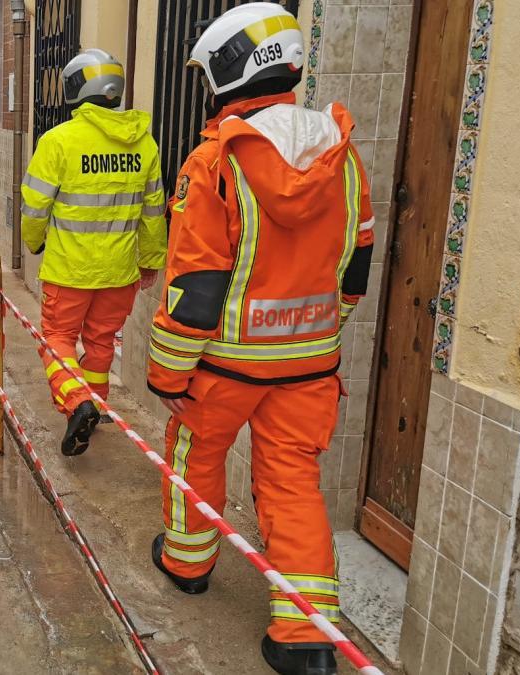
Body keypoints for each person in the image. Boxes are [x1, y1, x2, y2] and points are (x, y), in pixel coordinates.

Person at [144, 5, 374, 674]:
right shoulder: (343, 157)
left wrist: (167, 375)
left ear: (226, 72)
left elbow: (196, 289)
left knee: (195, 457)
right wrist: (312, 334)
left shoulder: (217, 161)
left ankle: (188, 564)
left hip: (222, 368)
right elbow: (353, 271)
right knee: (294, 484)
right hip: (308, 368)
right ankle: (305, 640)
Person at [19, 48, 167, 456]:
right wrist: (151, 260)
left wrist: (34, 242)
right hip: (120, 273)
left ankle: (77, 403)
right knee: (101, 344)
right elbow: (155, 211)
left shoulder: (59, 141)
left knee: (57, 339)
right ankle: (94, 410)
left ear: (74, 89)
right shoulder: (145, 145)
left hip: (70, 271)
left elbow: (34, 207)